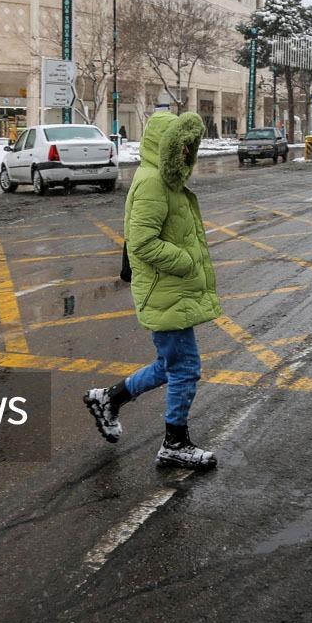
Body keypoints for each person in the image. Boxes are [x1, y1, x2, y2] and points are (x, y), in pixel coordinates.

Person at [85, 111, 222, 469]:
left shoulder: (164, 180)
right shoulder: (152, 183)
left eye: (190, 147)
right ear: (165, 146)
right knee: (186, 367)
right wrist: (185, 262)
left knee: (170, 364)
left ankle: (110, 398)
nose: (187, 152)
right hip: (164, 289)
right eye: (182, 146)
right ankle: (174, 442)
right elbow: (142, 243)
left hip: (170, 291)